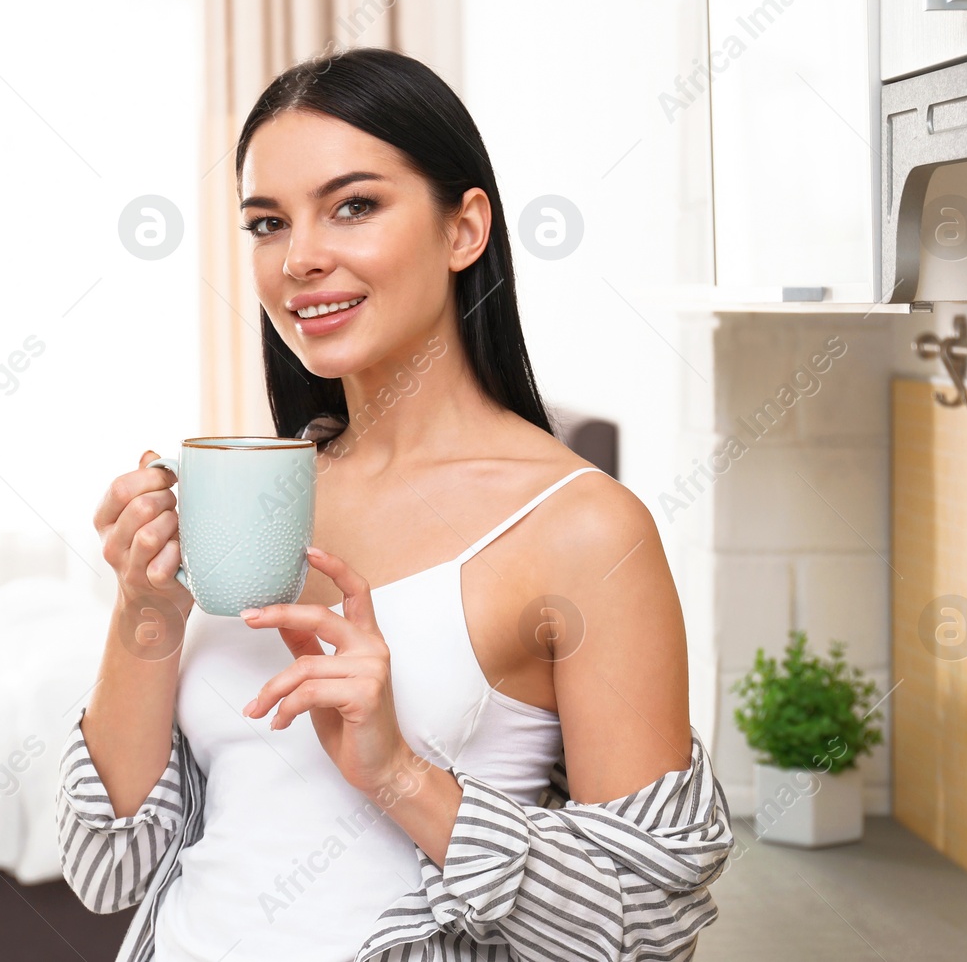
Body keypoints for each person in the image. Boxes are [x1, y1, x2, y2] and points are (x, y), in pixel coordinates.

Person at [58, 47, 732, 962]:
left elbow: (646, 925)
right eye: (268, 222)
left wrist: (400, 773)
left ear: (465, 229)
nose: (300, 258)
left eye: (354, 206)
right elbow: (108, 864)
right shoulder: (262, 498)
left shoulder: (582, 528)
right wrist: (145, 611)